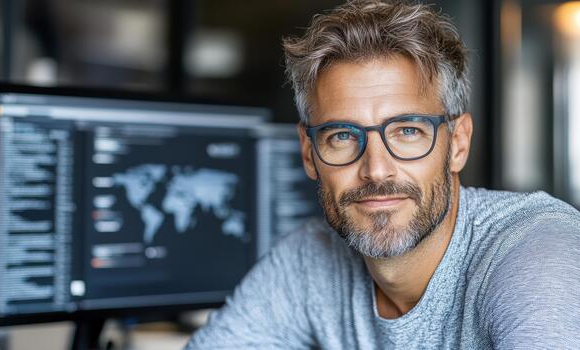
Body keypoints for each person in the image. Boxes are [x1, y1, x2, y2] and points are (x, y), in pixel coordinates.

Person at [185, 0, 580, 348]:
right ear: (309, 153)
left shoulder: (537, 250)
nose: (376, 169)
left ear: (457, 143)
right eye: (342, 135)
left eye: (407, 131)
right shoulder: (311, 258)